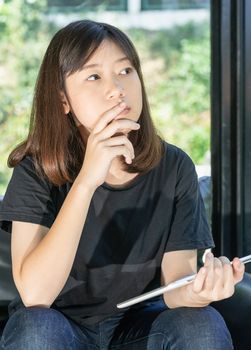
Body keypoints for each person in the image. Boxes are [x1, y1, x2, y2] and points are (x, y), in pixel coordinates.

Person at [0, 19, 245, 350]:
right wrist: (87, 181)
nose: (116, 88)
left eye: (126, 71)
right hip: (58, 326)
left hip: (141, 327)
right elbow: (36, 295)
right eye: (94, 76)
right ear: (63, 100)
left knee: (201, 324)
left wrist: (198, 291)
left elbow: (176, 284)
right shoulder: (36, 169)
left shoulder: (174, 166)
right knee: (35, 329)